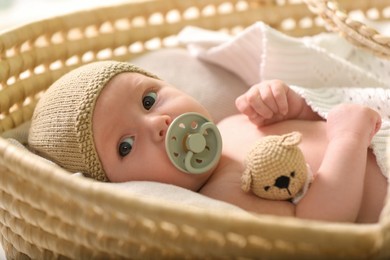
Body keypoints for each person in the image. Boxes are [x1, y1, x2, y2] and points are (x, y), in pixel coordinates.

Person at [28, 61, 388, 223]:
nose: (158, 124)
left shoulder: (231, 123)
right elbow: (321, 223)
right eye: (125, 145)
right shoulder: (224, 198)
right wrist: (349, 139)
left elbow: (314, 122)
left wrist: (293, 103)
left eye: (149, 100)